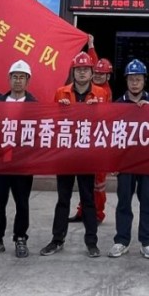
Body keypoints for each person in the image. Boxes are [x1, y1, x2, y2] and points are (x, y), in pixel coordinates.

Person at [40, 51, 108, 258]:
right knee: (63, 198)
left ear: (91, 72)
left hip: (87, 155)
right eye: (78, 70)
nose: (82, 73)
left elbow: (107, 121)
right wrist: (59, 110)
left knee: (88, 199)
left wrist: (97, 110)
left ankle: (92, 242)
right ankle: (57, 239)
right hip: (66, 154)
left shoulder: (100, 94)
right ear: (73, 72)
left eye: (86, 69)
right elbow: (51, 121)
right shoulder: (61, 93)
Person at [0, 60, 38, 259]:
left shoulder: (35, 106)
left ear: (28, 81)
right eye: (15, 77)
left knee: (22, 203)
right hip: (1, 162)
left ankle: (20, 238)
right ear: (9, 79)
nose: (18, 81)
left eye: (22, 77)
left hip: (23, 164)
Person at [109, 59, 149, 259]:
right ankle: (122, 240)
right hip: (125, 162)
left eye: (138, 79)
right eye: (131, 79)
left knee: (147, 201)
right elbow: (112, 135)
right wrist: (114, 162)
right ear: (126, 81)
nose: (135, 83)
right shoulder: (118, 104)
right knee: (124, 201)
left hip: (148, 161)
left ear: (144, 80)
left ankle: (147, 242)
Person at [71, 53, 113, 225]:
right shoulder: (90, 89)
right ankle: (83, 211)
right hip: (84, 141)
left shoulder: (104, 93)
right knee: (85, 183)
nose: (98, 76)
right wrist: (91, 46)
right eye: (96, 73)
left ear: (108, 76)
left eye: (102, 74)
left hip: (99, 143)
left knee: (98, 184)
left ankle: (98, 213)